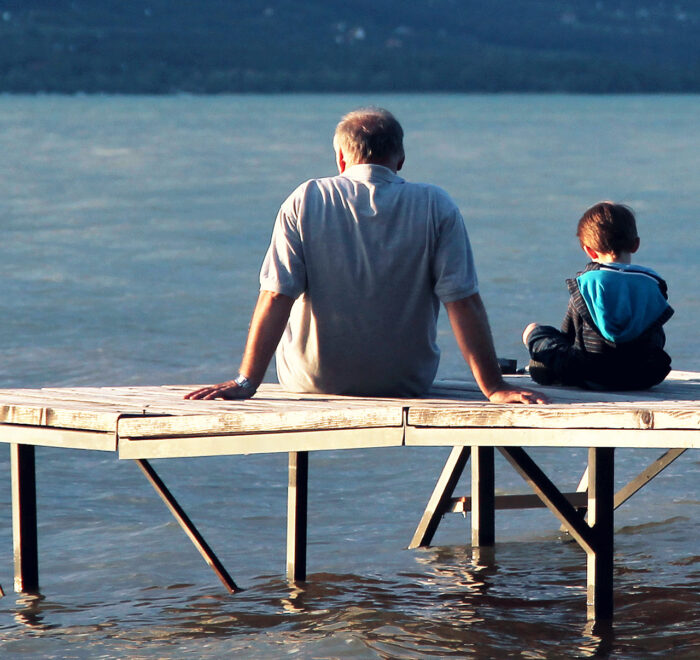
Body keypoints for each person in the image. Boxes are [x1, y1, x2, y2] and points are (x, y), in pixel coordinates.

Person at [187, 107, 546, 404]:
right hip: (405, 382)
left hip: (313, 380)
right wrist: (494, 387)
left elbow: (277, 294)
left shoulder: (307, 198)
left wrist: (246, 381)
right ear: (401, 158)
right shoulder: (436, 205)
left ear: (341, 158)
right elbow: (462, 301)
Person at [522, 201, 673, 390]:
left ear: (588, 250)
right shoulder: (653, 283)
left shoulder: (586, 283)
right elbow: (657, 337)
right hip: (643, 376)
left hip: (589, 375)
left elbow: (568, 336)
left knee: (533, 330)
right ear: (636, 244)